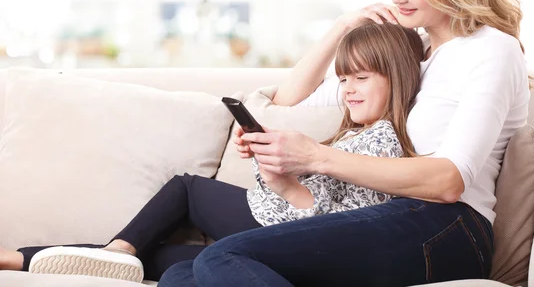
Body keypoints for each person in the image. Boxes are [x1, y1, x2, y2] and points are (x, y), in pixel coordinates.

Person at [156, 0, 530, 287]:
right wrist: (341, 27)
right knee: (182, 273)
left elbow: (449, 181)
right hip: (394, 216)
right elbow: (287, 103)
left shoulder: (492, 50)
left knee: (222, 256)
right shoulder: (407, 51)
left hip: (450, 228)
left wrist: (316, 157)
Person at [0, 22, 423, 283]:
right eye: (344, 79)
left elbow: (325, 220)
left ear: (398, 78)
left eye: (361, 79)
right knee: (160, 259)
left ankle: (110, 251)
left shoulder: (381, 141)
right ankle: (23, 260)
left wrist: (280, 177)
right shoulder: (354, 134)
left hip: (280, 229)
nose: (347, 90)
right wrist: (270, 162)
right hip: (276, 222)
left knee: (188, 189)